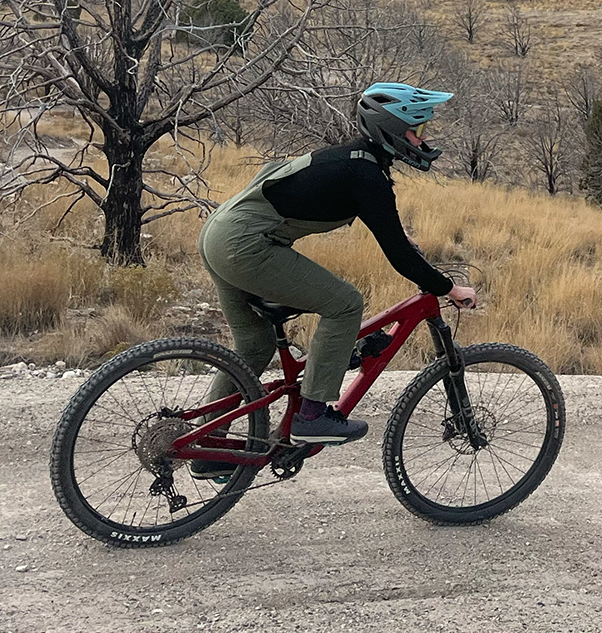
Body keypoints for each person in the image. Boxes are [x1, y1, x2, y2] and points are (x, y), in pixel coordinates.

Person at [197, 83, 476, 460]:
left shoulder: (353, 159)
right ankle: (312, 415)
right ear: (392, 129)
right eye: (417, 130)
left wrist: (398, 234)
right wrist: (448, 288)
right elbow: (398, 256)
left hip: (219, 233)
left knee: (254, 347)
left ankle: (205, 448)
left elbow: (345, 204)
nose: (422, 139)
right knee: (345, 304)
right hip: (245, 245)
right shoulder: (367, 175)